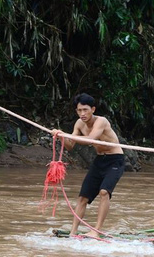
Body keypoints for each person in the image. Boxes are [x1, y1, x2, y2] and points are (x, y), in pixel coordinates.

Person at [50, 93, 125, 237]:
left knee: (104, 192)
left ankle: (96, 231)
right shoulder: (79, 124)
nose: (82, 114)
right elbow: (70, 146)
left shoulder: (101, 121)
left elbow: (91, 139)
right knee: (83, 197)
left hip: (115, 159)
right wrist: (60, 137)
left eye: (85, 110)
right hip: (99, 160)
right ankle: (73, 232)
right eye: (79, 110)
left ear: (93, 109)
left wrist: (67, 135)